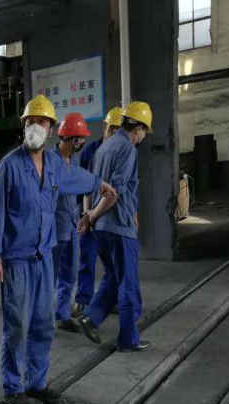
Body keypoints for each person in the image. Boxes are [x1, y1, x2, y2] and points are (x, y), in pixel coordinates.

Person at [0, 95, 117, 404]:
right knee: (17, 325)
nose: (36, 126)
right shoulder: (8, 167)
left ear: (50, 129)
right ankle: (13, 386)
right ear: (24, 126)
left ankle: (36, 381)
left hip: (44, 257)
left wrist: (99, 184)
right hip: (16, 260)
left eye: (42, 122)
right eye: (31, 121)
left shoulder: (56, 164)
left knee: (43, 323)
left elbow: (77, 179)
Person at [77, 101, 153, 352]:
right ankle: (128, 340)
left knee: (113, 277)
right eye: (144, 131)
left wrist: (89, 216)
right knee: (128, 284)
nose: (143, 137)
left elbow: (90, 186)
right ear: (138, 128)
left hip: (101, 230)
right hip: (118, 226)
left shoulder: (104, 147)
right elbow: (114, 193)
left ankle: (91, 317)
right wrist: (93, 215)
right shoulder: (127, 149)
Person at [73, 107, 123, 317]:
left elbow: (125, 188)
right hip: (89, 214)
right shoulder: (90, 152)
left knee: (113, 263)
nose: (114, 134)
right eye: (111, 129)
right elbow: (85, 186)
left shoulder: (123, 153)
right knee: (87, 257)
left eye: (118, 130)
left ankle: (109, 300)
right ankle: (83, 300)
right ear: (104, 127)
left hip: (111, 217)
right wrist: (87, 215)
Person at [51, 112, 92, 333]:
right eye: (80, 138)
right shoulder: (50, 161)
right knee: (49, 276)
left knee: (69, 273)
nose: (82, 142)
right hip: (54, 229)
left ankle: (63, 315)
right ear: (71, 138)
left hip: (72, 226)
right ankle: (39, 318)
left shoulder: (73, 161)